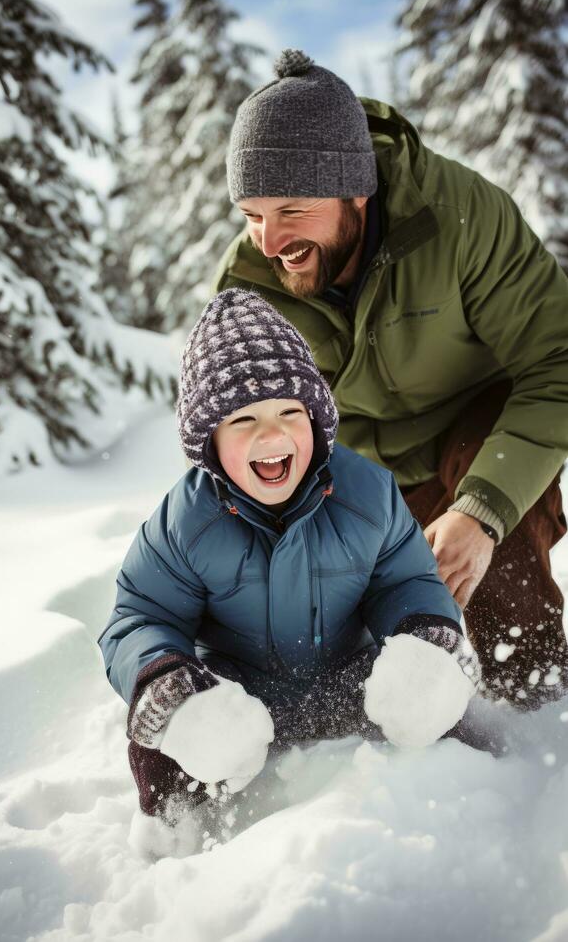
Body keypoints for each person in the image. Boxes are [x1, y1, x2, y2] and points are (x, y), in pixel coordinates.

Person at [212, 48, 568, 709]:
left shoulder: (458, 218)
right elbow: (242, 446)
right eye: (252, 215)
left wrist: (480, 514)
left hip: (478, 436)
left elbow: (558, 361)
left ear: (356, 187)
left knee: (498, 557)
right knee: (324, 664)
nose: (267, 241)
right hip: (361, 482)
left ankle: (538, 717)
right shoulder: (250, 287)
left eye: (291, 210)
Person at [99, 288, 478, 819]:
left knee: (432, 694)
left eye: (288, 411)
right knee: (161, 733)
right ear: (208, 441)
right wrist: (169, 686)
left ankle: (474, 795)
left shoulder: (367, 494)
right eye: (243, 420)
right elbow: (141, 616)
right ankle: (179, 837)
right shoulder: (186, 523)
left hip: (354, 679)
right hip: (243, 698)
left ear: (317, 420)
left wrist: (425, 640)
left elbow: (406, 582)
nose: (272, 433)